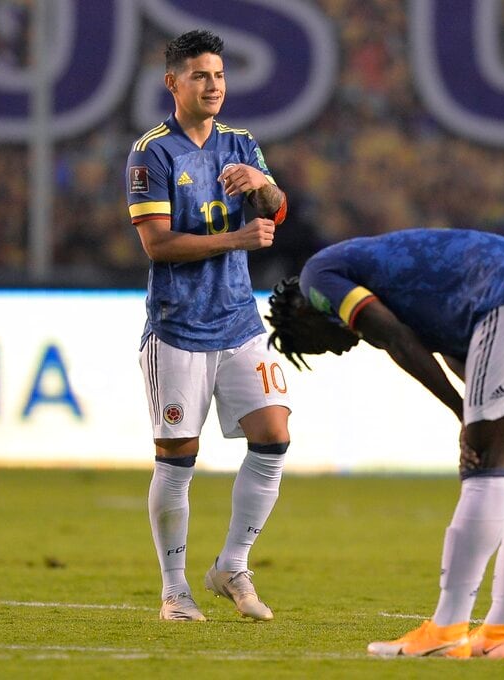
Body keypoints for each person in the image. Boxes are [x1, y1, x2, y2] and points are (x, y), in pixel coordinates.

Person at [265, 228, 504, 658]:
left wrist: (464, 413)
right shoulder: (393, 280)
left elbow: (394, 338)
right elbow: (468, 351)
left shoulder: (317, 278)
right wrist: (483, 406)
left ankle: (446, 629)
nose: (336, 352)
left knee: (485, 465)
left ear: (302, 316)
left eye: (317, 348)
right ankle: (498, 635)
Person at [125, 29, 292, 621]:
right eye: (200, 75)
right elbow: (158, 245)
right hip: (178, 327)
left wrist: (264, 187)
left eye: (219, 75)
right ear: (173, 82)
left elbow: (276, 211)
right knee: (178, 455)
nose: (213, 85)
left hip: (240, 320)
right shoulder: (153, 153)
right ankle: (174, 590)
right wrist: (238, 239)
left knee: (274, 437)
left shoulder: (241, 143)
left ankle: (231, 566)